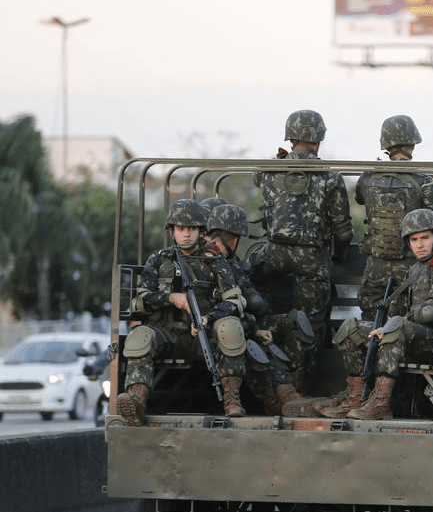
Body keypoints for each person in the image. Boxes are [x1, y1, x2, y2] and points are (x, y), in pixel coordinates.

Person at [117, 199, 248, 425]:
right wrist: (170, 298)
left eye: (191, 229)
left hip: (202, 336)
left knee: (231, 327)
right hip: (166, 334)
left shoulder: (214, 261)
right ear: (172, 231)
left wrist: (209, 318)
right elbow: (140, 301)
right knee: (139, 336)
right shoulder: (158, 260)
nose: (186, 235)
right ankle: (136, 402)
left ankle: (231, 399)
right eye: (180, 229)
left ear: (201, 231)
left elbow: (234, 301)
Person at [317, 209, 433, 420]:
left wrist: (394, 324)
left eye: (424, 238)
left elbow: (430, 314)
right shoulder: (416, 269)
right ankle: (355, 398)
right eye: (413, 239)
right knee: (351, 330)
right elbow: (398, 309)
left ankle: (380, 403)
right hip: (411, 336)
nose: (419, 244)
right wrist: (387, 322)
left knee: (396, 326)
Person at [249, 109, 353, 379]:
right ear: (319, 137)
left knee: (253, 297)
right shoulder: (330, 177)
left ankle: (261, 360)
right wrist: (338, 255)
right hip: (311, 259)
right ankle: (301, 382)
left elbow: (257, 179)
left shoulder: (271, 169)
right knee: (311, 321)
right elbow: (343, 231)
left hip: (273, 253)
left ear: (290, 137)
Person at [203, 203, 317, 417]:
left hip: (247, 320)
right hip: (223, 326)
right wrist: (253, 325)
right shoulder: (205, 261)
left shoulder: (231, 262)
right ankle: (273, 399)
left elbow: (255, 301)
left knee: (295, 323)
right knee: (254, 343)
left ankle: (291, 392)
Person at [355, 115, 433, 321]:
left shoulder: (368, 177)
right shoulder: (423, 181)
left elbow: (359, 198)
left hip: (375, 265)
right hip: (411, 265)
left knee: (369, 319)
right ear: (412, 144)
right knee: (407, 320)